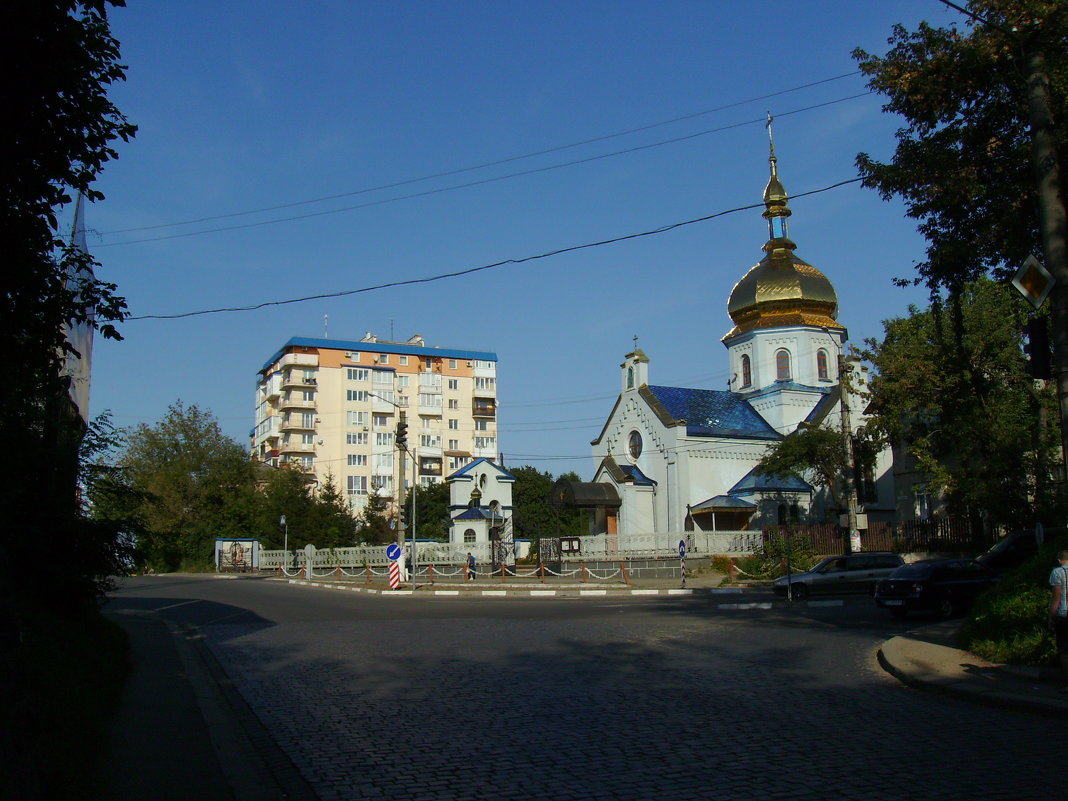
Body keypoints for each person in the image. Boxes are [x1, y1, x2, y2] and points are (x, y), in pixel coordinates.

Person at [1048, 550, 1068, 692]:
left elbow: (1056, 597)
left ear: (1060, 560)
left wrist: (1051, 617)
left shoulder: (1057, 572)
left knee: (1065, 649)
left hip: (1064, 613)